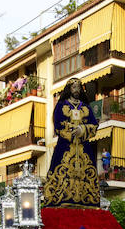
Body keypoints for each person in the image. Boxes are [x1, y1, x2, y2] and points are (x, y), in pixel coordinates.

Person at [41, 79, 101, 208]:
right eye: (74, 87)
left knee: (87, 173)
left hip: (83, 147)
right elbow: (57, 123)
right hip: (65, 146)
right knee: (62, 169)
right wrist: (71, 130)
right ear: (69, 89)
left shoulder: (86, 107)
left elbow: (94, 125)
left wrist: (82, 130)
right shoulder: (61, 105)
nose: (76, 90)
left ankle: (86, 198)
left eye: (78, 87)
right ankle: (60, 198)